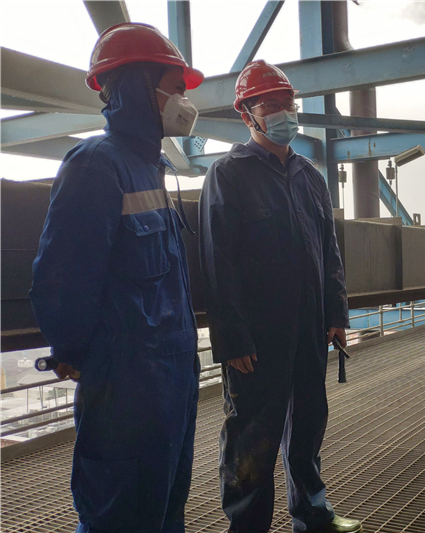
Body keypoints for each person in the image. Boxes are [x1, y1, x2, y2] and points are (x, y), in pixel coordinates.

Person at [30, 23, 203, 533]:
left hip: (173, 376)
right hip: (125, 385)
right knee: (118, 517)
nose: (183, 101)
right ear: (137, 86)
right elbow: (62, 273)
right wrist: (76, 350)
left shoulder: (153, 168)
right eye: (175, 88)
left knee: (166, 511)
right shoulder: (96, 165)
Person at [198, 60, 360, 533]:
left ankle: (312, 515)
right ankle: (248, 527)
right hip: (257, 338)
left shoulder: (310, 176)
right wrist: (232, 338)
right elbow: (217, 263)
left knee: (307, 427)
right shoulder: (228, 175)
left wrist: (335, 313)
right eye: (270, 105)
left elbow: (328, 251)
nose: (283, 113)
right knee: (252, 438)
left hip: (309, 328)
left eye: (288, 103)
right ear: (246, 114)